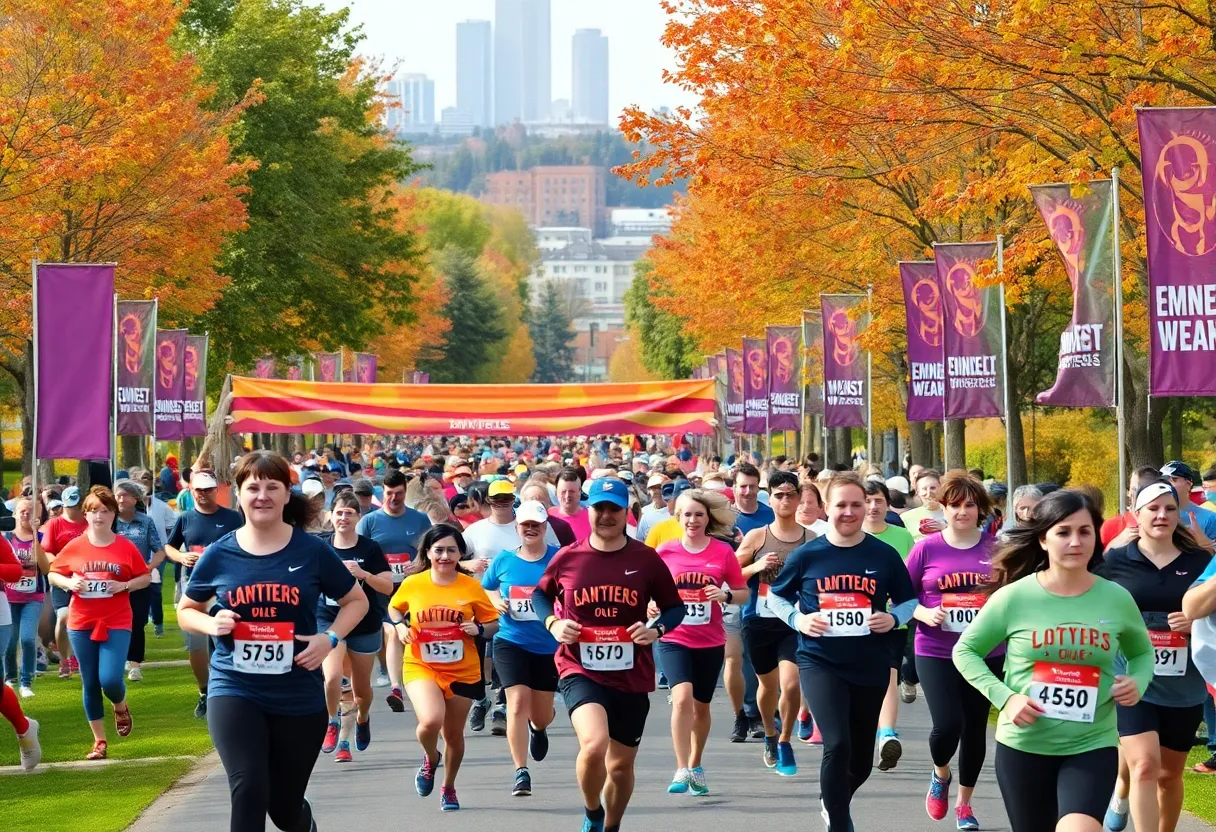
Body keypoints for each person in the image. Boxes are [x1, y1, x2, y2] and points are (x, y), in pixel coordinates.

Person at [178, 451, 367, 832]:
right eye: (253, 487)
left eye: (271, 487)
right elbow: (187, 609)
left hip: (297, 692)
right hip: (235, 686)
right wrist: (212, 624)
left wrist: (328, 638)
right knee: (248, 788)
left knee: (283, 808)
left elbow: (356, 601)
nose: (262, 495)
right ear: (238, 495)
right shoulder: (219, 553)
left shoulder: (312, 551)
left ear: (285, 495)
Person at [953, 489, 1154, 832]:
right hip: (1024, 745)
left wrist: (1138, 679)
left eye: (1084, 531)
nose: (1075, 541)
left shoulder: (1116, 598)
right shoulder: (1015, 597)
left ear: (1096, 536)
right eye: (1063, 532)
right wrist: (1006, 698)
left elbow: (1142, 653)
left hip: (1092, 743)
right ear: (1044, 540)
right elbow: (965, 651)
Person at [532, 477, 685, 832]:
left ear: (626, 513)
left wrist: (656, 630)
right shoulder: (568, 557)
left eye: (613, 509)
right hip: (578, 667)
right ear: (589, 511)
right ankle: (592, 811)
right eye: (598, 508)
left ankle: (611, 824)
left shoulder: (646, 559)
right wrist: (553, 623)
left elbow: (674, 608)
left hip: (632, 673)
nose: (605, 516)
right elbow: (540, 596)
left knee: (619, 767)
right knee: (594, 744)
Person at [766, 471, 917, 831]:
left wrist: (892, 616)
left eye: (855, 504)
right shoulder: (808, 554)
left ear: (866, 506)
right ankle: (838, 820)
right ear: (825, 508)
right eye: (840, 505)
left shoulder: (884, 554)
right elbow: (776, 596)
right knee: (836, 743)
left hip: (870, 662)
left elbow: (910, 601)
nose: (848, 512)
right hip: (820, 661)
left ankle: (832, 798)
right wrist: (798, 620)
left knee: (862, 760)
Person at [1100, 480, 1210, 832]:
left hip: (1184, 680)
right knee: (1146, 765)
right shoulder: (1115, 560)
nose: (1162, 515)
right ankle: (1124, 787)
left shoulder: (1200, 560)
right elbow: (1091, 605)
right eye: (1153, 508)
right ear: (1136, 514)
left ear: (1180, 514)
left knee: (1168, 774)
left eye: (1170, 508)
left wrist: (1197, 625)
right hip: (1132, 676)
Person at [905, 472, 1001, 830]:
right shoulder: (926, 548)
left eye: (970, 505)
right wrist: (923, 612)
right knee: (948, 725)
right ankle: (940, 773)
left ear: (981, 509)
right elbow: (901, 595)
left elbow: (1010, 596)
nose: (962, 512)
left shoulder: (996, 548)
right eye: (955, 505)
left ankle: (965, 804)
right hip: (935, 648)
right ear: (944, 507)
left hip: (986, 652)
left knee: (975, 727)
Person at [388, 524, 499, 811]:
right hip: (421, 663)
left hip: (462, 669)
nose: (445, 556)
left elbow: (493, 624)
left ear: (460, 553)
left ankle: (448, 786)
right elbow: (394, 607)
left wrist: (477, 627)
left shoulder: (471, 586)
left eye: (451, 550)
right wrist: (400, 627)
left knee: (453, 735)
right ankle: (430, 757)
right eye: (439, 550)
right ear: (428, 552)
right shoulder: (414, 583)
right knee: (430, 721)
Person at [654, 489, 748, 795]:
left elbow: (742, 591)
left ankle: (695, 763)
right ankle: (681, 768)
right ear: (677, 517)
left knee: (701, 707)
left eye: (699, 514)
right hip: (674, 637)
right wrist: (650, 606)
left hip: (709, 640)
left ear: (708, 518)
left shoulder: (722, 552)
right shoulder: (664, 552)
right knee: (681, 698)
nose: (692, 520)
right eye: (687, 514)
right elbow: (645, 591)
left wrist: (725, 595)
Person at [47, 487, 151, 759]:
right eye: (93, 511)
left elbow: (145, 578)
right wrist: (70, 582)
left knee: (110, 679)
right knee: (91, 682)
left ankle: (120, 705)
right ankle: (99, 741)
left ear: (114, 514)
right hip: (81, 620)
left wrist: (124, 584)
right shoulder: (75, 546)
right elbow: (54, 574)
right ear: (85, 515)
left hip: (116, 619)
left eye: (105, 510)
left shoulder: (125, 546)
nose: (99, 516)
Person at [481, 500, 560, 797]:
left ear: (544, 527)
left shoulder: (559, 558)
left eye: (536, 525)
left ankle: (538, 729)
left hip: (547, 645)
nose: (530, 529)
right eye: (525, 524)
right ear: (516, 527)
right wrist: (493, 601)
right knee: (516, 703)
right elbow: (486, 586)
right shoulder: (503, 560)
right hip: (510, 640)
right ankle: (520, 771)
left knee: (539, 714)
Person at [735, 470, 808, 775]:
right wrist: (757, 564)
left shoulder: (812, 538)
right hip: (760, 619)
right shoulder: (757, 536)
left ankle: (786, 740)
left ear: (799, 497)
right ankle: (769, 732)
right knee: (767, 686)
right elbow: (732, 576)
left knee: (790, 684)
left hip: (794, 622)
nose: (785, 500)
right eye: (779, 495)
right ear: (771, 498)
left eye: (791, 494)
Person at [319, 491, 392, 763]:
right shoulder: (321, 547)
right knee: (333, 676)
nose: (343, 517)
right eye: (338, 512)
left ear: (358, 518)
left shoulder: (369, 549)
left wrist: (363, 574)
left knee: (362, 691)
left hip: (364, 622)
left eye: (349, 513)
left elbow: (387, 586)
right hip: (329, 619)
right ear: (331, 516)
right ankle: (331, 721)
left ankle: (362, 717)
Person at [165, 470, 243, 719]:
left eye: (208, 490)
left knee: (225, 641)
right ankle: (204, 691)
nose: (203, 495)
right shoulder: (185, 519)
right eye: (198, 490)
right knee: (196, 645)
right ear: (191, 491)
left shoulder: (232, 518)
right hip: (193, 589)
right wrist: (181, 556)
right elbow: (169, 546)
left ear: (215, 491)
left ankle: (230, 691)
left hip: (227, 590)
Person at [356, 468, 432, 714]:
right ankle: (396, 685)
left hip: (412, 586)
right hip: (380, 588)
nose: (393, 499)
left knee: (409, 632)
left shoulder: (419, 519)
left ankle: (417, 678)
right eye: (389, 494)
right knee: (391, 629)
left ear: (404, 492)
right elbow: (359, 553)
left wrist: (418, 564)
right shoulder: (369, 521)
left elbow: (430, 551)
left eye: (398, 494)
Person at [862, 479, 916, 770]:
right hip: (854, 624)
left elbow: (910, 581)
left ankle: (886, 734)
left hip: (892, 621)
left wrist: (899, 612)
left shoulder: (902, 537)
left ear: (887, 504)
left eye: (878, 501)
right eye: (867, 501)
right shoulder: (849, 535)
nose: (873, 507)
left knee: (890, 675)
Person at [113, 480, 166, 682]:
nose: (120, 498)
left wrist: (149, 568)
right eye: (118, 495)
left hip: (139, 579)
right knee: (116, 622)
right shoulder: (110, 521)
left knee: (137, 621)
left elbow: (159, 550)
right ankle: (120, 659)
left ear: (135, 499)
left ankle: (135, 664)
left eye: (125, 495)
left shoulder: (145, 521)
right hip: (113, 580)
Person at [40, 485, 87, 679]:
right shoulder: (54, 524)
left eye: (75, 506)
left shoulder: (89, 522)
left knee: (83, 620)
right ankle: (64, 659)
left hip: (86, 577)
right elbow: (46, 552)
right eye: (68, 506)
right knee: (64, 617)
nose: (71, 510)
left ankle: (77, 656)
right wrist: (61, 561)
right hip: (61, 577)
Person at [4, 497, 45, 697]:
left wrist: (37, 539)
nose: (26, 514)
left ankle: (26, 681)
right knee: (10, 642)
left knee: (27, 639)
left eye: (30, 511)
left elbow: (46, 567)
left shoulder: (42, 537)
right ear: (15, 513)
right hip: (9, 596)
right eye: (22, 511)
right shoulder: (6, 538)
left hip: (33, 596)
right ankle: (10, 678)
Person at [902, 469, 946, 541]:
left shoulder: (953, 515)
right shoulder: (905, 518)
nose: (929, 493)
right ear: (917, 492)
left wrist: (945, 529)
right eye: (924, 489)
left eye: (933, 488)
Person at [733, 463, 775, 535]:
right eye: (743, 486)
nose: (748, 491)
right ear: (734, 488)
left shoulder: (772, 515)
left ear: (758, 488)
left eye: (752, 486)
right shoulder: (725, 518)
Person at [551, 468, 593, 540]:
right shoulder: (548, 516)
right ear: (556, 492)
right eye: (563, 492)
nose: (567, 496)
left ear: (580, 492)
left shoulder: (591, 518)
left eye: (572, 492)